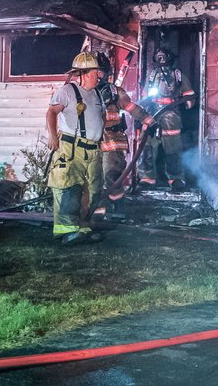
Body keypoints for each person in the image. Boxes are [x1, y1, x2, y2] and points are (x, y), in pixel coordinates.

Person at [45, 51, 106, 244]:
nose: (99, 76)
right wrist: (53, 136)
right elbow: (51, 112)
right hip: (72, 149)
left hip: (93, 149)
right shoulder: (67, 91)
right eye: (96, 73)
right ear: (85, 74)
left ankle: (82, 227)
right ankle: (67, 231)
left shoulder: (96, 93)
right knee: (69, 187)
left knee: (93, 190)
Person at [91, 51, 152, 219]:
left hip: (112, 141)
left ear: (104, 73)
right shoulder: (83, 93)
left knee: (110, 175)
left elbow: (132, 107)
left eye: (97, 71)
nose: (94, 76)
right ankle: (95, 213)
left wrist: (148, 120)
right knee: (93, 178)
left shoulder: (114, 92)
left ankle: (118, 210)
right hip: (91, 143)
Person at [138, 47, 196, 187]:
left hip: (172, 118)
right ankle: (147, 178)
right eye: (159, 57)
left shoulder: (178, 76)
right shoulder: (152, 76)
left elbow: (190, 97)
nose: (161, 60)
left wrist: (187, 102)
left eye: (163, 57)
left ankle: (176, 178)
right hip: (152, 116)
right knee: (147, 147)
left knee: (173, 149)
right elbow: (145, 98)